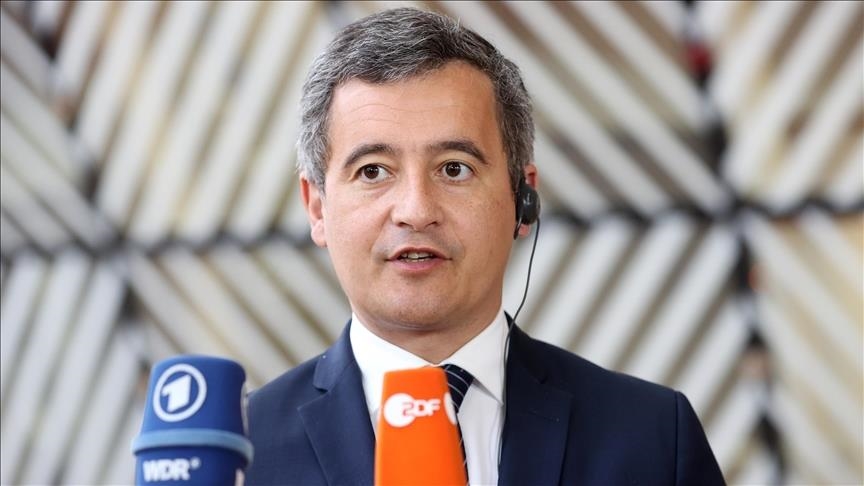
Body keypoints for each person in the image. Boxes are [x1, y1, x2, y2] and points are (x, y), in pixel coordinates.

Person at [246, 7, 725, 486]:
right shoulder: (242, 453)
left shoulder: (653, 438)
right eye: (373, 171)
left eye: (454, 168)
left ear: (522, 199)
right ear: (316, 208)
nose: (416, 210)